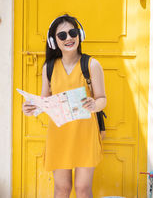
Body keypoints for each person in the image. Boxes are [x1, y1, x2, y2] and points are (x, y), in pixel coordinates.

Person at [22, 14, 107, 198]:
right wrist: (32, 108)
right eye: (62, 36)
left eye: (72, 32)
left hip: (85, 133)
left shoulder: (92, 65)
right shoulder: (49, 67)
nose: (68, 38)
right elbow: (46, 101)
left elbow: (102, 99)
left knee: (83, 189)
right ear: (54, 41)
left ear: (80, 35)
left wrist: (94, 104)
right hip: (59, 134)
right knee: (62, 189)